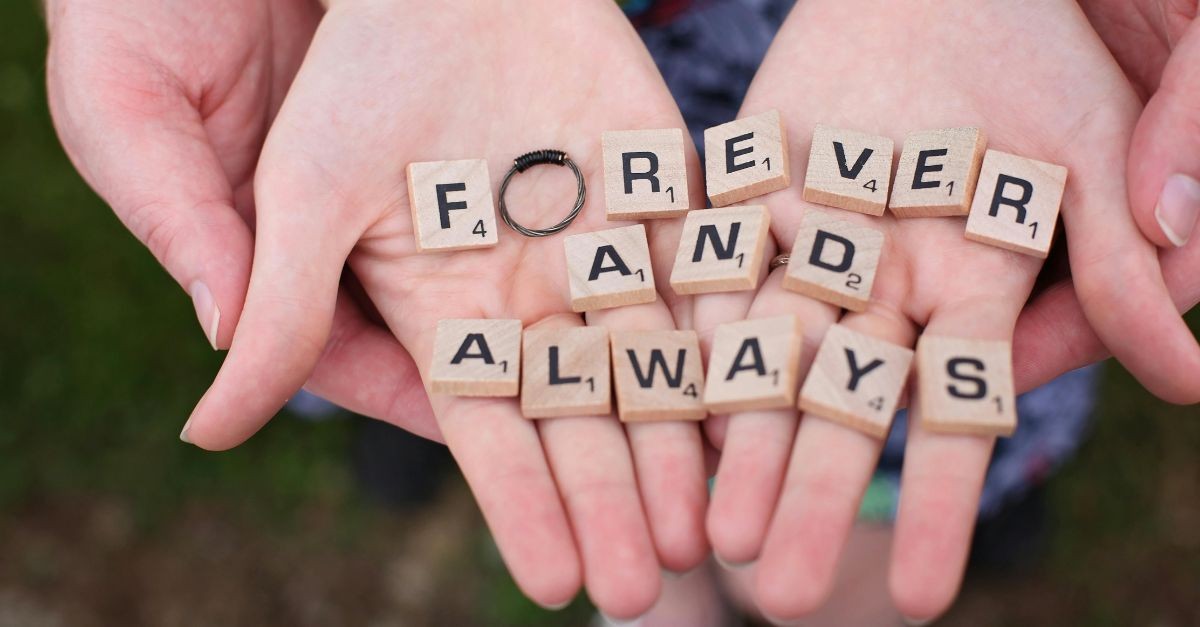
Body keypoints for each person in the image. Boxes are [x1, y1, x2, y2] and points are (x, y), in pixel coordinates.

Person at [44, 0, 1200, 623]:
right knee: (427, 325)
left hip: (925, 57)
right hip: (406, 63)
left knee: (892, 366)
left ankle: (927, 514)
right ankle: (451, 461)